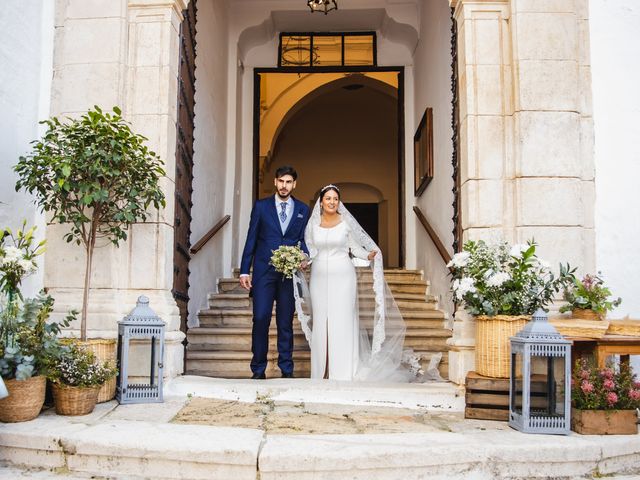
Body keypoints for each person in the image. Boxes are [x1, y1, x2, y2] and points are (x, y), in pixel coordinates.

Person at [294, 184, 414, 382]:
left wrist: (368, 254)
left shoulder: (345, 223)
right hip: (319, 277)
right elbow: (311, 251)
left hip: (343, 275)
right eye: (328, 199)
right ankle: (321, 371)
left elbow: (355, 248)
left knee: (342, 320)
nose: (332, 202)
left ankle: (342, 372)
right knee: (321, 322)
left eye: (335, 199)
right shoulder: (312, 224)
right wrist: (304, 260)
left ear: (339, 202)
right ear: (321, 202)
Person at [239, 165, 310, 379]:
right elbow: (251, 238)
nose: (284, 186)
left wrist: (304, 257)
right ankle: (258, 369)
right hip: (263, 272)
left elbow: (304, 241)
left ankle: (286, 369)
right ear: (275, 182)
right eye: (281, 181)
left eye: (289, 182)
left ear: (294, 184)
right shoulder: (261, 206)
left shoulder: (302, 209)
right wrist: (244, 270)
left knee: (285, 322)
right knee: (260, 318)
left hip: (288, 275)